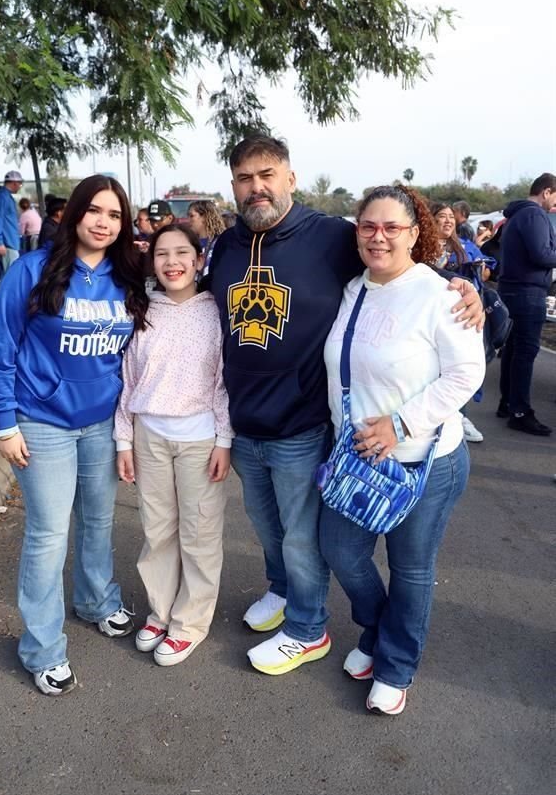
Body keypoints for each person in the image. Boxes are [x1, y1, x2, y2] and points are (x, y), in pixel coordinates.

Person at [205, 134, 484, 677]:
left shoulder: (332, 236)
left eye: (267, 174)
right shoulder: (227, 246)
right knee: (269, 530)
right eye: (244, 178)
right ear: (234, 186)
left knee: (309, 538)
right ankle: (284, 591)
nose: (256, 187)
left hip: (305, 424)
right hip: (245, 424)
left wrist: (467, 293)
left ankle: (309, 628)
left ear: (290, 177)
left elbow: (398, 266)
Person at [0, 175, 148, 696]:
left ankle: (97, 600)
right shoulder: (32, 271)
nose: (103, 222)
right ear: (74, 214)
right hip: (41, 423)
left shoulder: (127, 278)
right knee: (49, 535)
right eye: (95, 210)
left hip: (99, 423)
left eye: (115, 215)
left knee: (98, 520)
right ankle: (43, 648)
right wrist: (4, 422)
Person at [320, 185, 485, 715]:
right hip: (359, 459)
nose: (380, 237)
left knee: (411, 567)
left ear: (417, 233)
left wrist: (400, 423)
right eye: (369, 226)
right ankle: (378, 628)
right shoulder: (351, 289)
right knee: (341, 551)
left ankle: (395, 664)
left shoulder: (440, 295)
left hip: (425, 462)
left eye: (393, 227)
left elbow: (468, 372)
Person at [115, 224, 233, 666]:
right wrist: (123, 438)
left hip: (200, 437)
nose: (172, 262)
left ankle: (189, 623)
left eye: (182, 253)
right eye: (163, 254)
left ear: (199, 260)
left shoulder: (215, 311)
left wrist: (224, 438)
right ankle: (160, 611)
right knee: (157, 530)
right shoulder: (142, 311)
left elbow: (224, 381)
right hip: (150, 435)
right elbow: (128, 379)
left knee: (199, 533)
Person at [497, 172, 556, 435]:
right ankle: (520, 411)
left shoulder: (516, 215)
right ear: (546, 191)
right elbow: (542, 254)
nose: (554, 205)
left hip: (512, 289)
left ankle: (508, 402)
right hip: (527, 292)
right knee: (525, 352)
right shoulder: (534, 215)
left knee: (513, 349)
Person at [430, 202, 494, 443]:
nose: (447, 221)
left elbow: (486, 275)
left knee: (461, 367)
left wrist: (479, 269)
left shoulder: (464, 247)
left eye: (450, 217)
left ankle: (460, 418)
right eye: (441, 217)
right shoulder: (419, 249)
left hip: (464, 316)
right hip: (434, 318)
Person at [0, 170, 24, 273]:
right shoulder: (2, 197)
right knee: (11, 276)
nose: (20, 186)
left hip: (10, 243)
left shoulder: (5, 196)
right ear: (14, 183)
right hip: (7, 244)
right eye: (20, 184)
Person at [187, 200, 226, 281]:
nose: (188, 220)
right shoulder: (189, 242)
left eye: (191, 216)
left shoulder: (221, 242)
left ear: (204, 217)